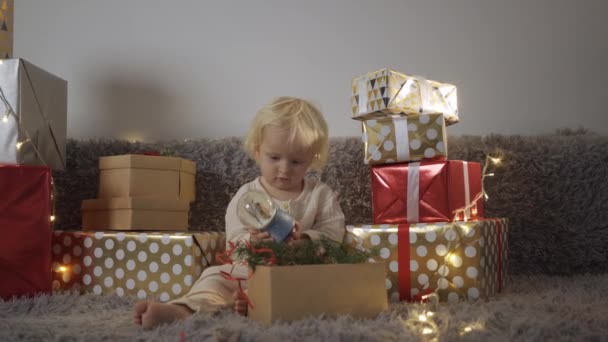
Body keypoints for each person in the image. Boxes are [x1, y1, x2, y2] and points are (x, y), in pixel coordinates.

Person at [133, 96, 346, 329]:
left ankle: (258, 306)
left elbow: (334, 232)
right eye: (274, 157)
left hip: (300, 275)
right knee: (217, 276)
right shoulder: (247, 196)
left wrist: (306, 239)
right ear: (257, 151)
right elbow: (233, 241)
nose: (284, 169)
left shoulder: (320, 195)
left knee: (332, 286)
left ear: (312, 160)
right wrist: (250, 241)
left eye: (296, 161)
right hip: (252, 273)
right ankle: (184, 309)